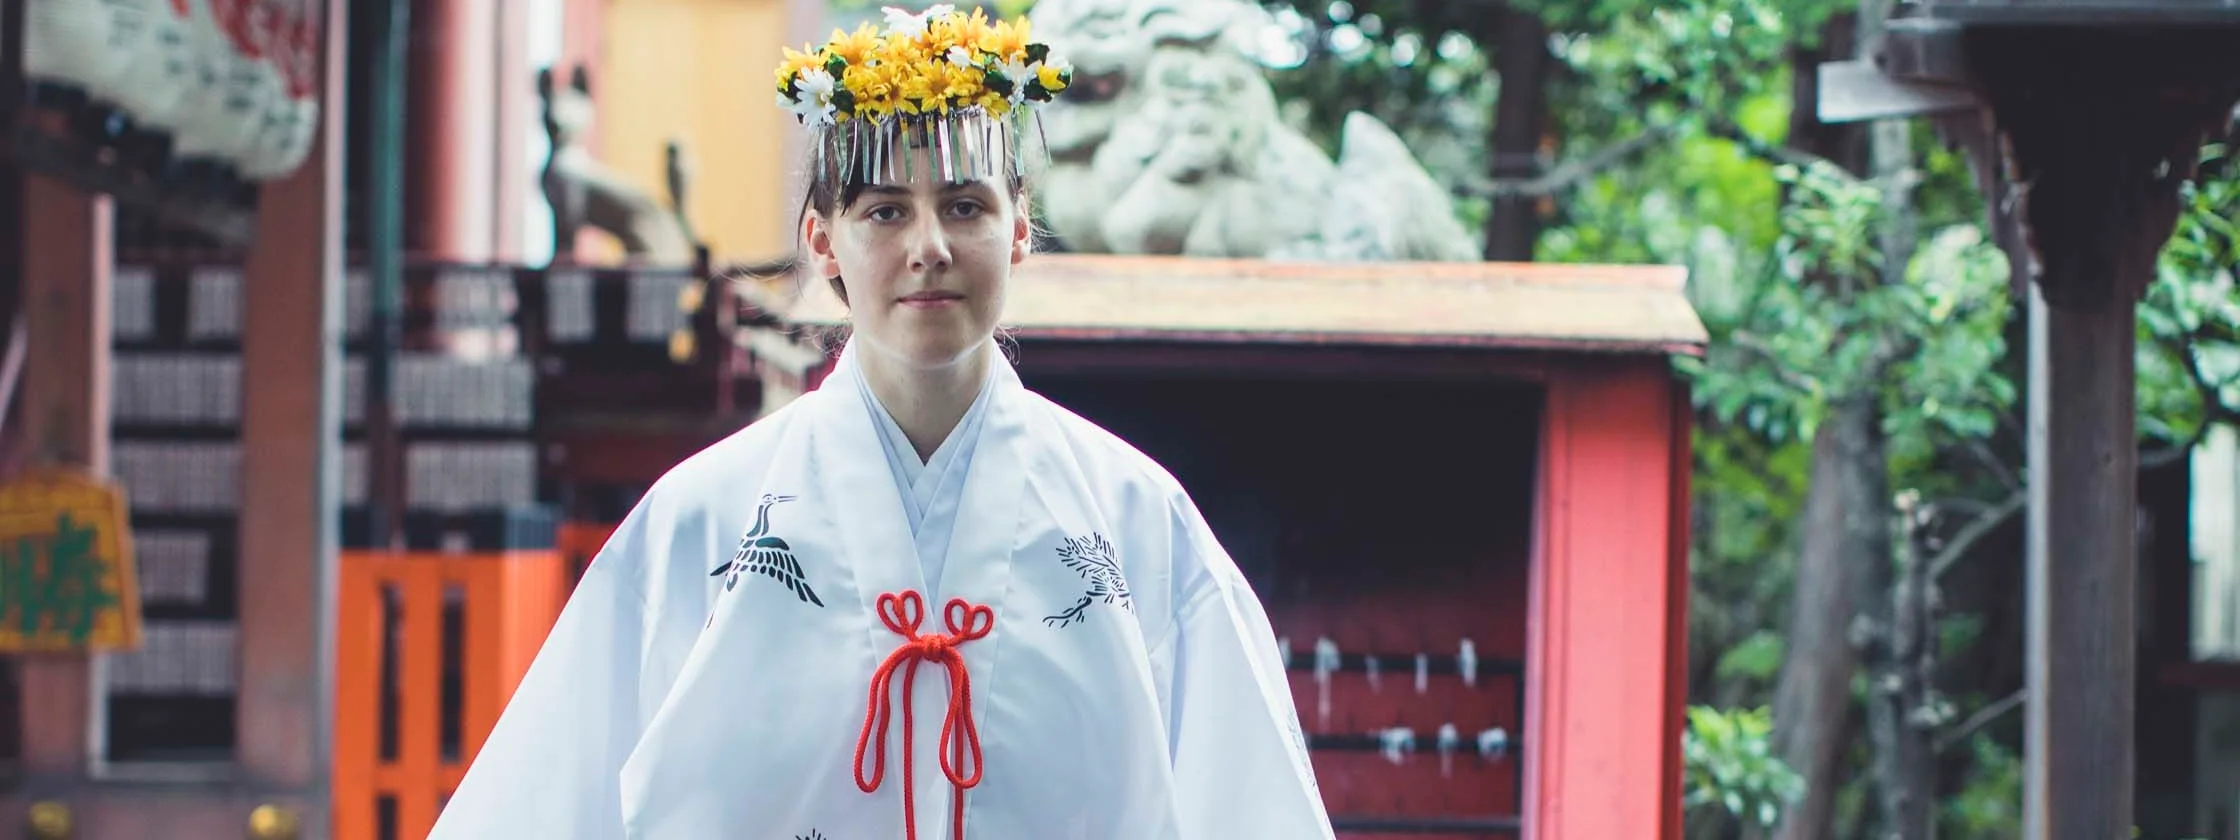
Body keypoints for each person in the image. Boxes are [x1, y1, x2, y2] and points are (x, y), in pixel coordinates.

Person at [428, 6, 1333, 839]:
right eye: (885, 211)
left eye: (966, 206)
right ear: (823, 240)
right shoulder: (700, 520)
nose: (928, 247)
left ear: (1020, 227)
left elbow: (1250, 801)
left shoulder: (1138, 522)